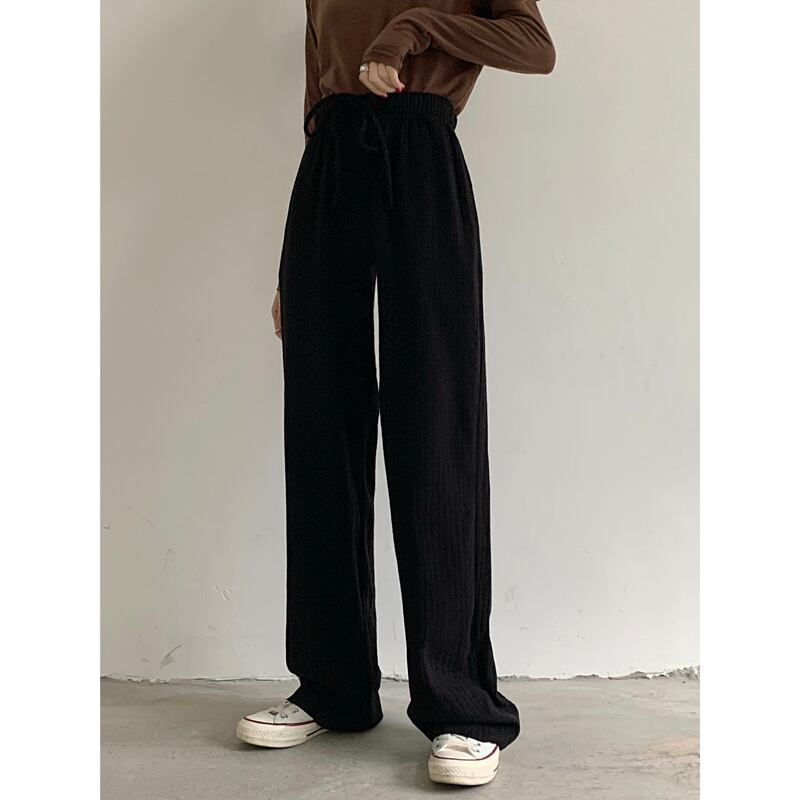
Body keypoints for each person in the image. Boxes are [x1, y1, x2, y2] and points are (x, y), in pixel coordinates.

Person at [236, 0, 555, 787]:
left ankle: (462, 706)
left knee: (436, 427)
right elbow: (317, 97)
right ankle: (332, 686)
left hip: (421, 153)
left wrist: (416, 26)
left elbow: (533, 45)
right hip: (328, 168)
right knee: (321, 431)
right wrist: (289, 266)